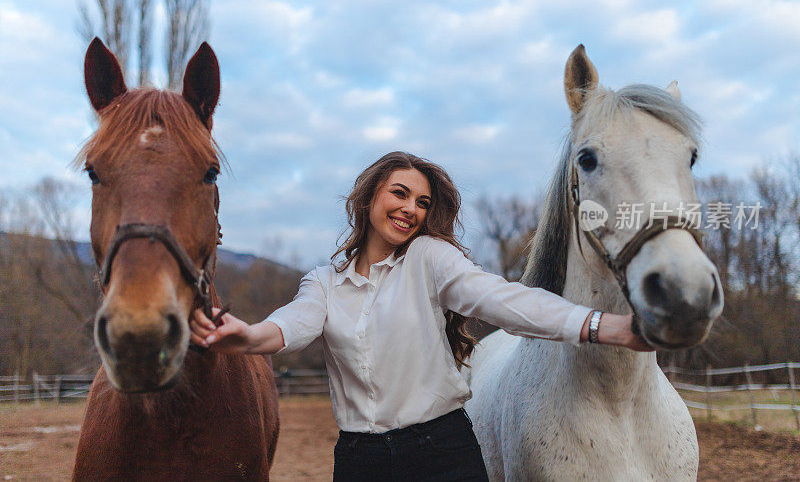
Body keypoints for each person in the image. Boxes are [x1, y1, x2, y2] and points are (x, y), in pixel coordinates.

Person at [190, 151, 652, 481]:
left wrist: (605, 326)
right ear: (369, 197)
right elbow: (291, 325)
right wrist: (246, 336)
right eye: (400, 193)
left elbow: (505, 301)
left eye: (423, 202)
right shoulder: (323, 283)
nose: (411, 209)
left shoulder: (430, 258)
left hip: (441, 455)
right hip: (360, 462)